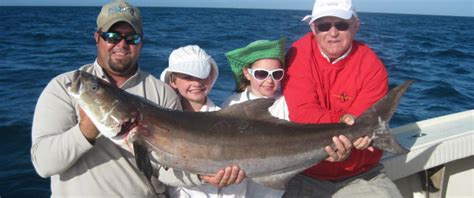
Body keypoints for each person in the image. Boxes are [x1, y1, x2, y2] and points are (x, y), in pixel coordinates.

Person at [31, 1, 242, 197]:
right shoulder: (68, 86)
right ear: (97, 38)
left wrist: (200, 175)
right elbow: (44, 164)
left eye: (131, 38)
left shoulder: (162, 93)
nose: (122, 44)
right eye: (112, 36)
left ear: (141, 42)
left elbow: (164, 170)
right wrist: (85, 131)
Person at [282, 0, 402, 197]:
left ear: (355, 26)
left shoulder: (372, 67)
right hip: (303, 172)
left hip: (360, 174)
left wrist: (355, 141)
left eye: (341, 25)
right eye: (323, 25)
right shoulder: (297, 54)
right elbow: (302, 112)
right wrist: (345, 123)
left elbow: (365, 127)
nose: (332, 32)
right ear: (313, 28)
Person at [160, 45, 252, 197]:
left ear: (211, 78)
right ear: (173, 81)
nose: (197, 82)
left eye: (202, 76)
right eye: (188, 77)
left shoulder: (228, 120)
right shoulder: (162, 122)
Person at [221, 38, 289, 197]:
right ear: (247, 73)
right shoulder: (231, 103)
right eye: (261, 74)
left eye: (276, 74)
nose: (269, 81)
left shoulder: (286, 103)